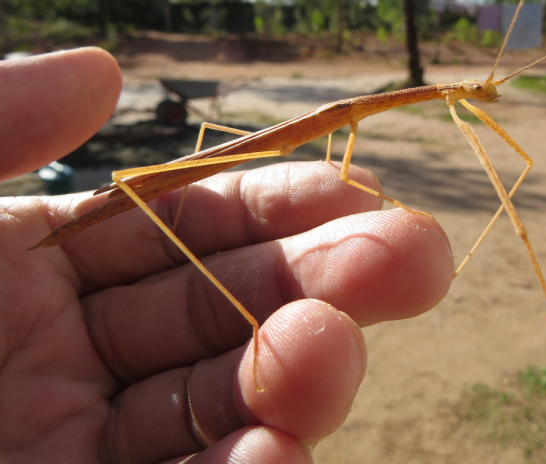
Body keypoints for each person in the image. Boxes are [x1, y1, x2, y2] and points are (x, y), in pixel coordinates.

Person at [0, 48, 453, 463]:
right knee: (180, 166)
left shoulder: (349, 115)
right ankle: (250, 318)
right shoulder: (346, 111)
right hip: (151, 185)